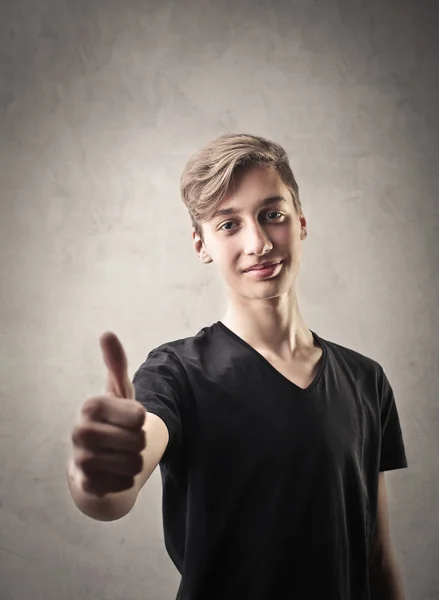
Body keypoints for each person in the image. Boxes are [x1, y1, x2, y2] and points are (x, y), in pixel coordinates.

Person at [67, 133, 408, 600]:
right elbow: (110, 495)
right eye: (229, 225)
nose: (259, 242)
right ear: (201, 244)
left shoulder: (366, 380)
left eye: (273, 215)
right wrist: (97, 474)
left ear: (301, 220)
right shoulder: (176, 372)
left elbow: (378, 559)